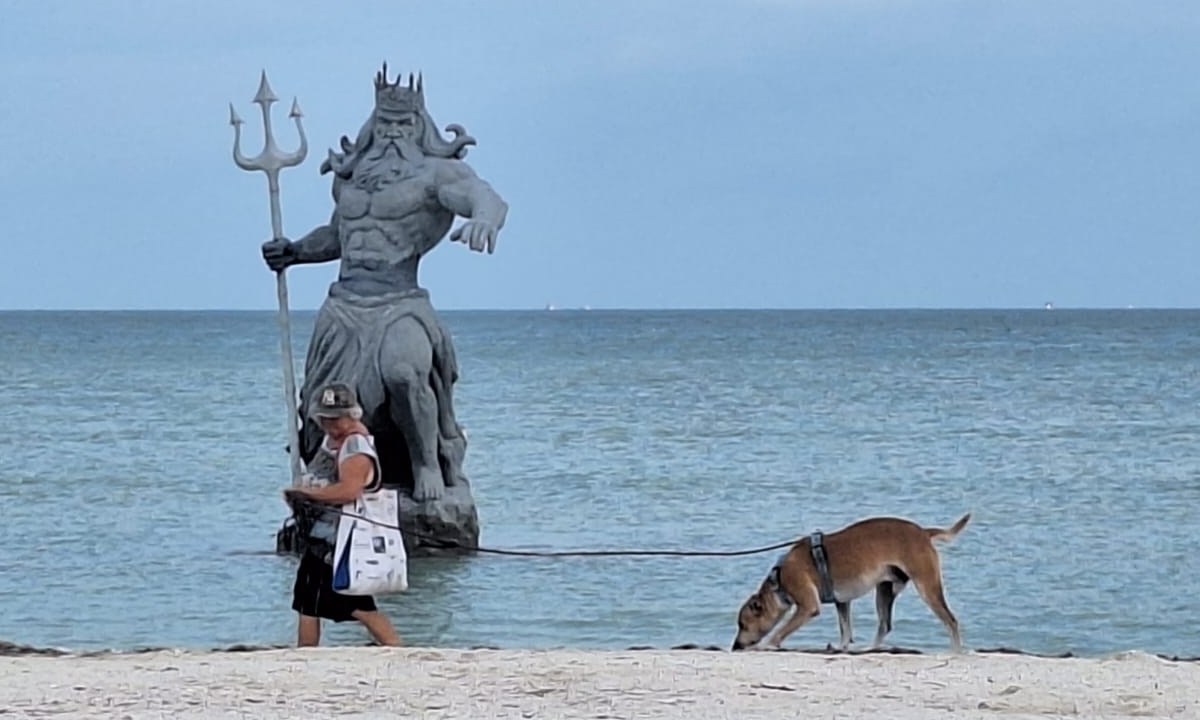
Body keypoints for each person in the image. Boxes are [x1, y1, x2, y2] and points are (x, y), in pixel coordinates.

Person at [261, 63, 508, 505]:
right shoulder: (353, 176)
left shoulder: (436, 174)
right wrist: (295, 251)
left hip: (400, 302)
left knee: (403, 372)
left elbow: (483, 196)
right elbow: (339, 235)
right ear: (374, 123)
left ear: (420, 125)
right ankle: (332, 480)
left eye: (404, 122)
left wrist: (486, 220)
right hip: (345, 303)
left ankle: (426, 464)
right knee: (327, 402)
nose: (394, 131)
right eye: (386, 122)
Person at [284, 381, 402, 647]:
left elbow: (349, 491)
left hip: (341, 539)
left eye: (336, 420)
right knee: (310, 601)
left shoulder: (356, 449)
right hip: (325, 535)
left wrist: (308, 495)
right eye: (325, 420)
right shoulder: (334, 444)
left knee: (350, 603)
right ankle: (306, 653)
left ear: (352, 415)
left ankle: (394, 647)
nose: (330, 426)